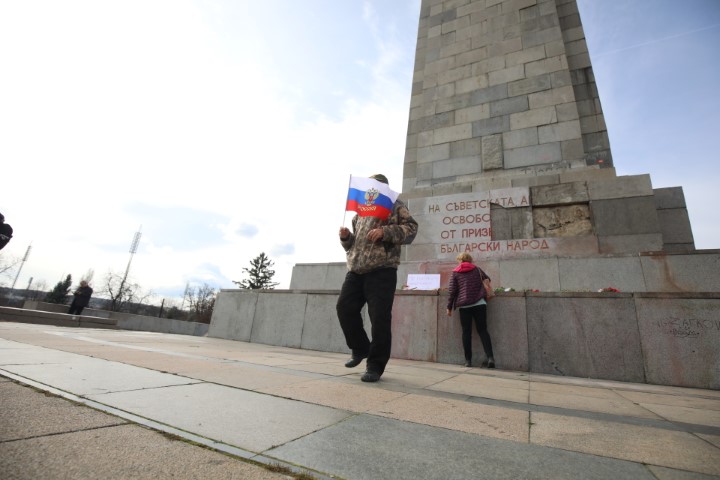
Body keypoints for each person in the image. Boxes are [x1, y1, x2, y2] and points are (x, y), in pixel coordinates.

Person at [337, 174, 418, 382]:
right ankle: (360, 347)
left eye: (373, 187)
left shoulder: (394, 205)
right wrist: (347, 239)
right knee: (344, 308)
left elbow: (411, 229)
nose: (369, 190)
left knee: (379, 319)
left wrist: (385, 232)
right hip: (356, 270)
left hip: (382, 270)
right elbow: (356, 245)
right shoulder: (360, 212)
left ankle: (375, 365)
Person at [446, 252, 495, 368]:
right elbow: (488, 279)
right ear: (470, 260)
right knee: (483, 330)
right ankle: (490, 358)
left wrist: (449, 307)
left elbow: (452, 291)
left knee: (466, 332)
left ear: (460, 261)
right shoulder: (477, 269)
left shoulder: (455, 273)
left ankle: (468, 360)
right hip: (480, 304)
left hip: (464, 306)